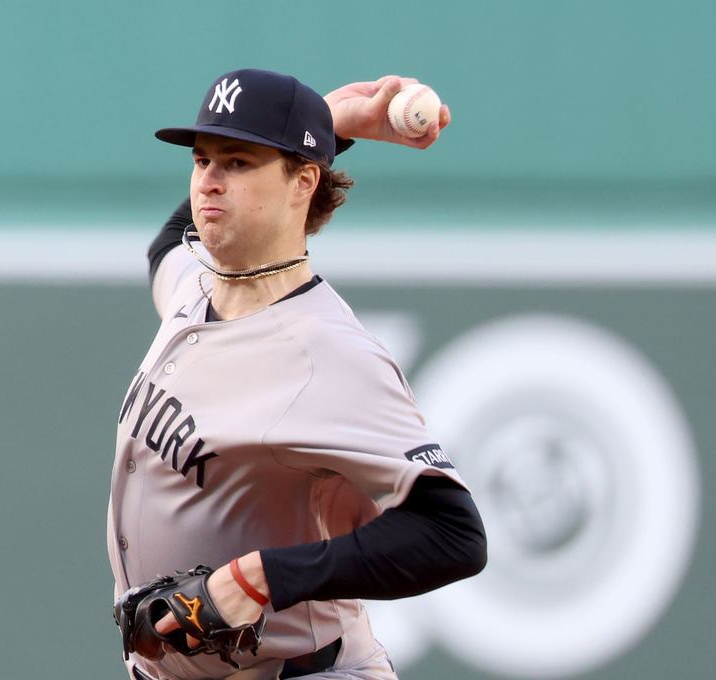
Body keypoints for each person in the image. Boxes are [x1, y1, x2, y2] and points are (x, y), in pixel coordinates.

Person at [107, 68, 486, 680]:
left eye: (238, 162)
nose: (209, 182)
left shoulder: (324, 354)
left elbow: (454, 536)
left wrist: (259, 579)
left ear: (302, 182)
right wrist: (326, 124)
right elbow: (166, 244)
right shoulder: (198, 289)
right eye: (202, 160)